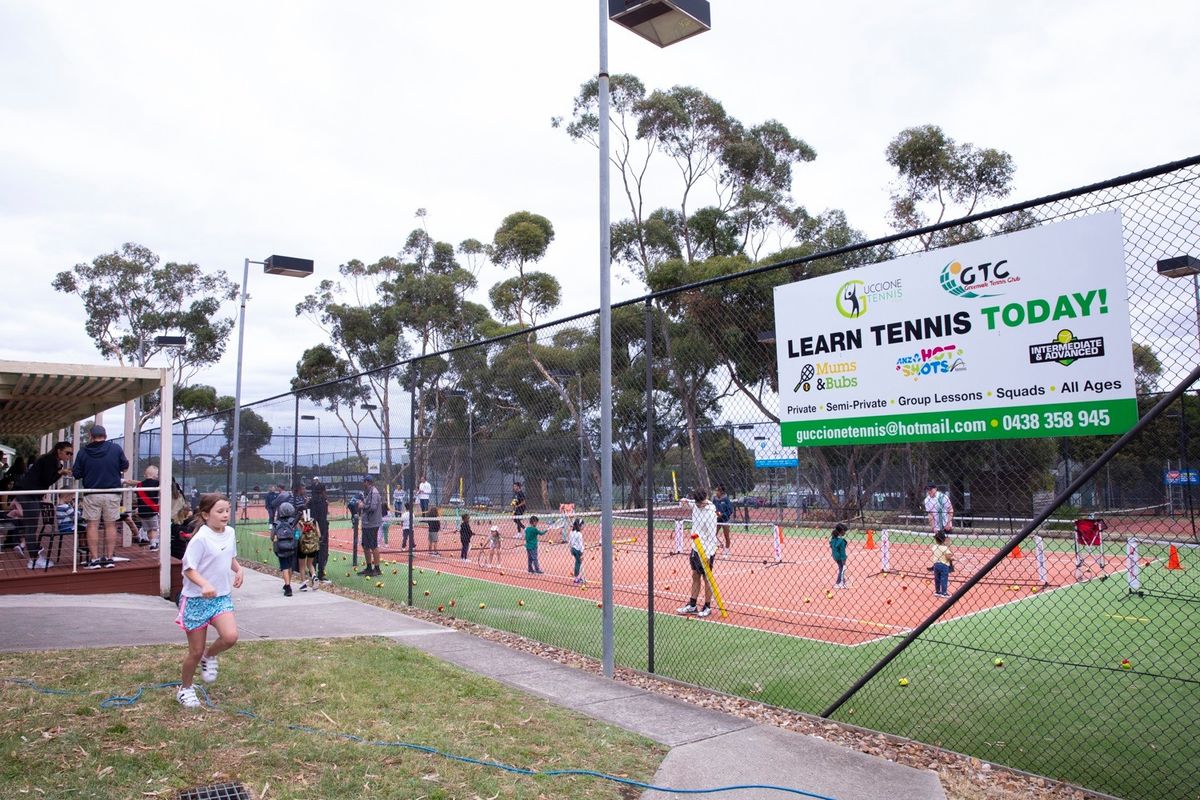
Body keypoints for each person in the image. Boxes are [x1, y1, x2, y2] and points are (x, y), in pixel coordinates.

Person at [175, 493, 244, 708]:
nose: (225, 515)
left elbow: (229, 556)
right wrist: (204, 584)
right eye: (220, 511)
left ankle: (210, 655)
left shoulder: (230, 532)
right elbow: (188, 569)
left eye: (227, 511)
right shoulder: (200, 539)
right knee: (194, 652)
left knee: (230, 636)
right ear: (205, 515)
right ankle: (185, 689)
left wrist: (238, 569)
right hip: (196, 600)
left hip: (221, 597)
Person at [72, 425, 129, 569]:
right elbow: (125, 466)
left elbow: (76, 473)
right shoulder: (115, 449)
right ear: (105, 435)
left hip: (92, 494)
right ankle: (109, 558)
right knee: (111, 525)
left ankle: (94, 559)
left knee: (92, 525)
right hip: (112, 493)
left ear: (90, 436)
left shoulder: (83, 452)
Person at [11, 441, 73, 559]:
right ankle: (34, 557)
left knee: (31, 524)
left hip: (30, 493)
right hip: (29, 493)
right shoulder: (49, 459)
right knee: (31, 525)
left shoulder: (50, 460)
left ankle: (27, 548)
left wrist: (59, 472)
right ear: (59, 451)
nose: (69, 456)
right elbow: (47, 480)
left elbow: (46, 479)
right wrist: (61, 472)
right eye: (67, 453)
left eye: (71, 454)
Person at [677, 489, 719, 618]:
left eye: (700, 503)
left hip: (706, 549)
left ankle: (707, 606)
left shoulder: (711, 512)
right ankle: (692, 604)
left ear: (705, 499)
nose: (698, 505)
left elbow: (712, 536)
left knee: (707, 578)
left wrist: (708, 554)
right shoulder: (695, 504)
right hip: (695, 547)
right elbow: (684, 504)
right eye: (697, 503)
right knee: (695, 575)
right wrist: (682, 501)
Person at [129, 465, 162, 550]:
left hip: (142, 512)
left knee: (148, 529)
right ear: (155, 475)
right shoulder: (157, 483)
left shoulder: (139, 485)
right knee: (154, 529)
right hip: (152, 511)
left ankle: (151, 542)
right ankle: (153, 544)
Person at [271, 500, 300, 596]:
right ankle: (288, 584)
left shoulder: (276, 523)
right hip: (291, 547)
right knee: (290, 566)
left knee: (284, 567)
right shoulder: (293, 522)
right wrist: (294, 541)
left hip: (281, 547)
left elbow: (272, 537)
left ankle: (288, 587)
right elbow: (298, 533)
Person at [357, 475, 383, 576]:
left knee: (373, 546)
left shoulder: (374, 492)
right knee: (365, 546)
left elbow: (373, 507)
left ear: (368, 482)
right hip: (366, 524)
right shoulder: (367, 493)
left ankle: (377, 568)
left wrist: (363, 506)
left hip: (372, 523)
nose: (363, 483)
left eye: (364, 482)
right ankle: (369, 567)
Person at [309, 481, 331, 584]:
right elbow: (323, 517)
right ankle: (321, 573)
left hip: (312, 528)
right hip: (322, 529)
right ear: (322, 491)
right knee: (322, 552)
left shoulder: (310, 501)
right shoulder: (323, 502)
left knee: (313, 551)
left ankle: (312, 573)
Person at [931, 529, 954, 598]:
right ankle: (944, 592)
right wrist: (951, 558)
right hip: (944, 565)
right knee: (944, 578)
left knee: (937, 578)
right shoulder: (945, 548)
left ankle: (938, 591)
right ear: (944, 540)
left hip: (936, 565)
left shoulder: (934, 546)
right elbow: (948, 556)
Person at [713, 484, 734, 555]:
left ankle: (727, 551)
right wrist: (715, 513)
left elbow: (730, 510)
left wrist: (722, 514)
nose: (716, 492)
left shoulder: (726, 499)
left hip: (725, 520)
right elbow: (712, 508)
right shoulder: (714, 499)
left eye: (717, 491)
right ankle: (719, 544)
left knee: (726, 536)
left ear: (721, 491)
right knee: (712, 534)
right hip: (717, 520)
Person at [830, 523, 848, 589]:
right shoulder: (841, 541)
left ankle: (842, 581)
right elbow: (842, 551)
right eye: (844, 531)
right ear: (841, 531)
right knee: (842, 568)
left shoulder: (833, 538)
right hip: (840, 556)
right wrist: (844, 559)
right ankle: (839, 582)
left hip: (835, 555)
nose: (845, 533)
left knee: (841, 568)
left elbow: (832, 546)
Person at [568, 517, 585, 585]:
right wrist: (582, 552)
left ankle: (579, 577)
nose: (583, 526)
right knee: (578, 563)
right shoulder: (579, 534)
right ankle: (576, 578)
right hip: (578, 550)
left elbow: (570, 542)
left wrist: (571, 549)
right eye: (582, 525)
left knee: (578, 563)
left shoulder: (572, 532)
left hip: (573, 549)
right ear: (579, 526)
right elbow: (580, 545)